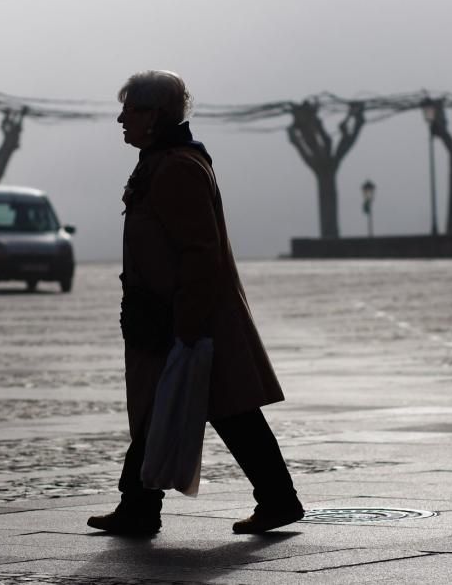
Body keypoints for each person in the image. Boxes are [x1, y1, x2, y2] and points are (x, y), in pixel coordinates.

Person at [87, 70, 303, 536]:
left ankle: (146, 507)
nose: (120, 118)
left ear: (155, 115)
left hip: (185, 317)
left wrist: (186, 323)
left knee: (218, 409)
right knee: (196, 409)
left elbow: (199, 251)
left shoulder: (176, 167)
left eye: (130, 110)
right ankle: (142, 505)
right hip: (171, 315)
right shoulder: (162, 162)